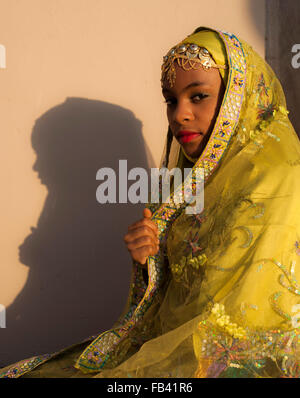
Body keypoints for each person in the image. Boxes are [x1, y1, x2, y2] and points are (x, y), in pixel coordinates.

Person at [1, 26, 300, 378]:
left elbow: (240, 334)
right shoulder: (197, 184)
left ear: (243, 97)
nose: (179, 115)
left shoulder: (277, 181)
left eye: (198, 96)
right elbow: (184, 300)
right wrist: (152, 260)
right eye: (171, 100)